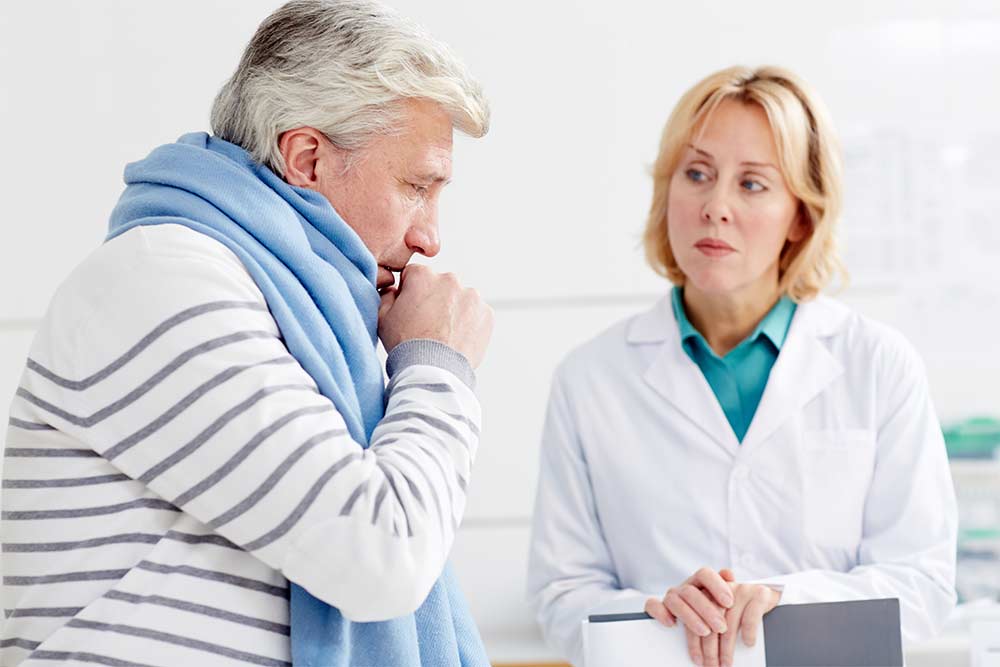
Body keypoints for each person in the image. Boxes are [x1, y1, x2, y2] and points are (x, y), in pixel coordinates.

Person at [1, 1, 494, 666]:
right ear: (308, 158)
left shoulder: (270, 304)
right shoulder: (163, 279)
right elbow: (380, 557)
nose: (429, 237)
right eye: (416, 186)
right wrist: (438, 363)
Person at [526, 65, 957, 667]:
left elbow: (922, 584)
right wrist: (661, 613)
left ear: (801, 215)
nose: (715, 207)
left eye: (753, 184)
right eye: (696, 174)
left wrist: (785, 600)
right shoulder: (590, 378)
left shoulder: (877, 365)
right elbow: (561, 595)